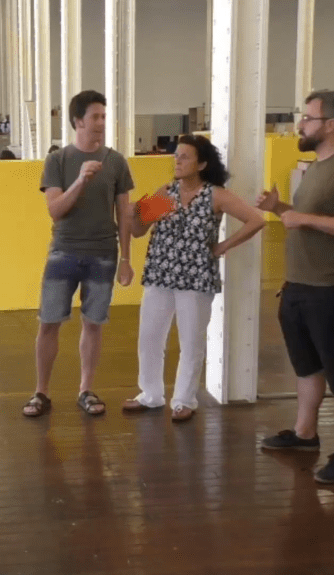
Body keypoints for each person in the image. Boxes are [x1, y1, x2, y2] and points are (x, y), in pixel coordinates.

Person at [257, 90, 334, 484]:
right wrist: (279, 209)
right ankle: (305, 433)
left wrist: (303, 219)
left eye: (308, 118)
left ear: (331, 124)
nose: (301, 125)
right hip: (298, 286)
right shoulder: (315, 167)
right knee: (307, 366)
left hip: (331, 289)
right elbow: (305, 219)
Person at [122, 135, 264, 421]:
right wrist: (136, 210)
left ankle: (184, 400)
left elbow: (256, 219)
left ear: (201, 164)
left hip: (196, 277)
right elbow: (138, 231)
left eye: (185, 157)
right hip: (160, 273)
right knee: (149, 337)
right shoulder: (166, 193)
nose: (177, 161)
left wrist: (223, 246)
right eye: (177, 156)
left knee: (191, 341)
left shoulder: (216, 195)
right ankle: (150, 394)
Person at [23, 89, 135, 418]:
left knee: (93, 324)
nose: (101, 122)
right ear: (78, 121)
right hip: (63, 252)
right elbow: (55, 210)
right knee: (49, 323)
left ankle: (86, 389)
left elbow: (124, 213)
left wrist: (126, 259)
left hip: (103, 254)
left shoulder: (116, 162)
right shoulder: (58, 161)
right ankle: (41, 392)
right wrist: (81, 180)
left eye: (104, 116)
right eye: (95, 116)